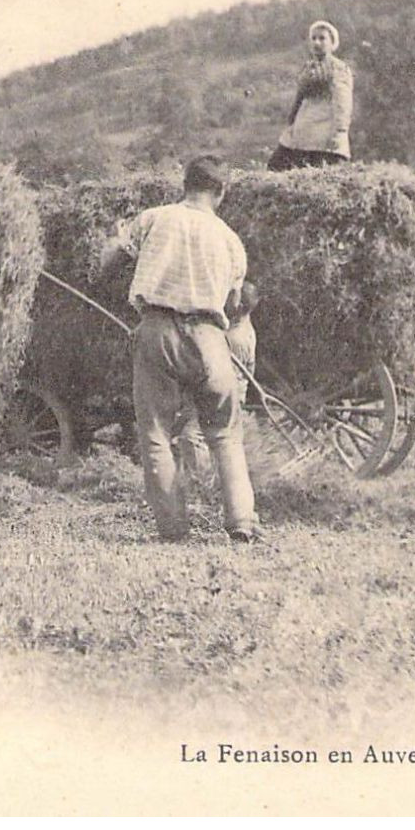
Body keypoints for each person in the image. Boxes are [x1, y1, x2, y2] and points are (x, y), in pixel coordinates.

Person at [100, 155, 260, 544]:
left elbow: (108, 259)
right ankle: (241, 520)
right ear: (220, 193)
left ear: (184, 184)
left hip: (157, 330)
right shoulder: (231, 240)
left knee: (155, 433)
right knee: (224, 433)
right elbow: (234, 301)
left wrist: (115, 242)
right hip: (209, 337)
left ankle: (173, 530)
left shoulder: (154, 218)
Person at [267, 20, 354, 172]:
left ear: (332, 42)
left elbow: (343, 102)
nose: (317, 42)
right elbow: (298, 99)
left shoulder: (339, 69)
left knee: (318, 173)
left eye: (322, 38)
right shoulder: (308, 68)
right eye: (313, 38)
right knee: (276, 166)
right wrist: (291, 123)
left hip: (324, 132)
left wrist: (339, 130)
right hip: (302, 130)